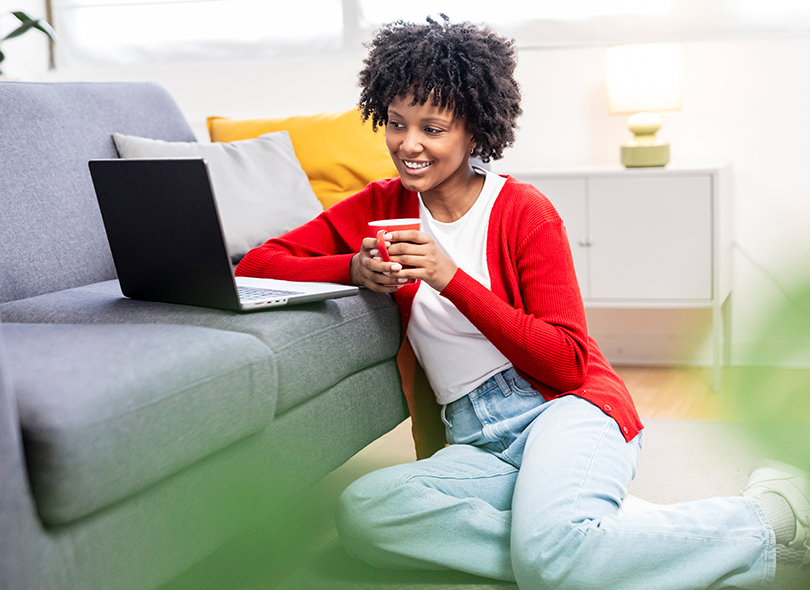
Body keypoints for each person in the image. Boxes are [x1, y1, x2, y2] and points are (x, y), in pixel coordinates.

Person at [236, 15, 809, 589]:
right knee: (363, 514)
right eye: (395, 124)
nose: (408, 145)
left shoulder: (523, 212)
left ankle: (764, 516)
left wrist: (449, 276)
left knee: (550, 562)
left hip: (566, 409)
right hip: (475, 436)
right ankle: (588, 540)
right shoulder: (378, 205)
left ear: (475, 132)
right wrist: (353, 268)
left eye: (432, 129)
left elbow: (567, 361)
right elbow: (256, 265)